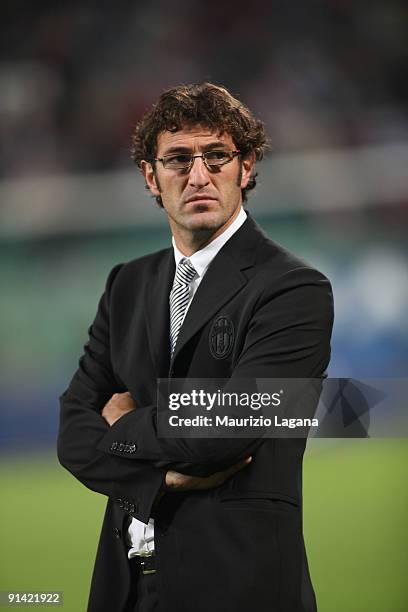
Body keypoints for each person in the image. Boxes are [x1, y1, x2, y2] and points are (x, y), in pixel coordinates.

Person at [58, 82, 334, 612]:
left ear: (246, 168)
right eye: (179, 159)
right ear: (150, 176)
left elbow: (231, 428)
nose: (199, 175)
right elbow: (73, 429)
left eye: (216, 155)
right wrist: (159, 475)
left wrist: (123, 424)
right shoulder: (127, 284)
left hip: (238, 587)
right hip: (125, 589)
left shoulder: (294, 288)